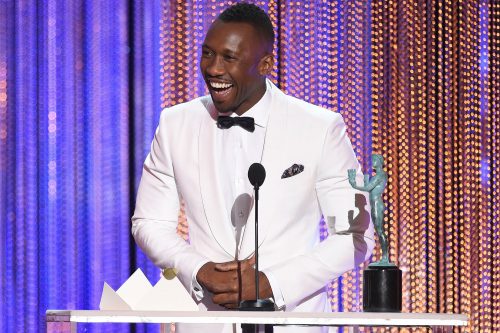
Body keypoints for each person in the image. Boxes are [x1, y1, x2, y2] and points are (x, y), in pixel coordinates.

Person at [132, 3, 374, 333]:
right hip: (205, 322)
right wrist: (198, 269)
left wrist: (273, 283)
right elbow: (149, 222)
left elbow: (355, 235)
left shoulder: (319, 128)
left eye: (229, 58)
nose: (213, 69)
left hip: (292, 322)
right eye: (207, 53)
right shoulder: (175, 124)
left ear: (265, 64)